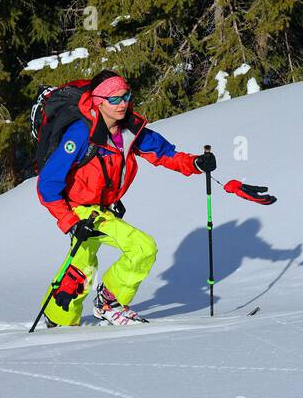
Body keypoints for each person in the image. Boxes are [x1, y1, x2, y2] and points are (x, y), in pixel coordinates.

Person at [36, 70, 275, 326]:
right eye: (114, 99)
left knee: (82, 265)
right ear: (98, 101)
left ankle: (57, 316)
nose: (123, 103)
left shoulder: (130, 130)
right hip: (80, 210)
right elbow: (48, 184)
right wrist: (71, 222)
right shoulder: (79, 134)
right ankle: (109, 302)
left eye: (126, 96)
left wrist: (195, 162)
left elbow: (164, 154)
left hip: (102, 207)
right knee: (142, 248)